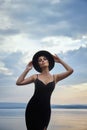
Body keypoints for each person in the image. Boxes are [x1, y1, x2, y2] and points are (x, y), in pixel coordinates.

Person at [16, 50, 73, 130]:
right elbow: (19, 82)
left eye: (44, 59)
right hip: (32, 108)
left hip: (45, 109)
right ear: (39, 64)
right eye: (40, 60)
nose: (42, 60)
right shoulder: (35, 77)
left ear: (48, 62)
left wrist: (60, 61)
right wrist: (27, 69)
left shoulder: (55, 77)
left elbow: (70, 70)